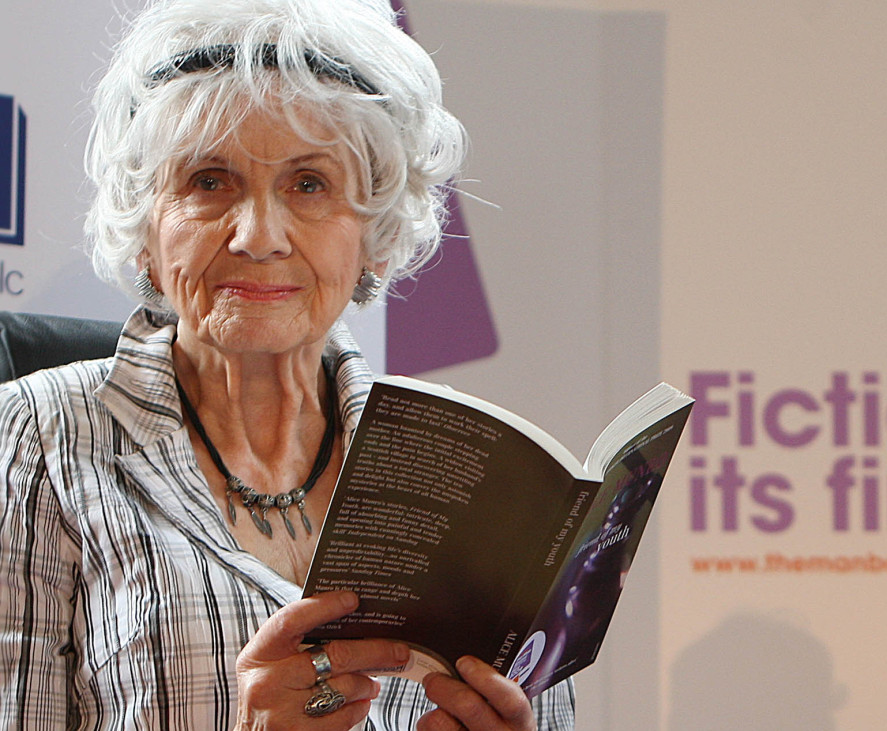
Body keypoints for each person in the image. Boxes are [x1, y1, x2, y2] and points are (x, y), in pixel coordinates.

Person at [0, 0, 576, 728]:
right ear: (147, 227)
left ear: (375, 232)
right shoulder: (34, 440)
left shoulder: (472, 473)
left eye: (309, 185)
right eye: (210, 181)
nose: (259, 234)